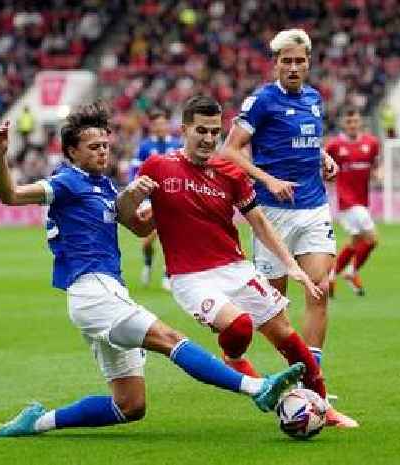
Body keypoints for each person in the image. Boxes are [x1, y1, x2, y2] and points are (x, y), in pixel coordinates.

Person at [0, 103, 304, 437]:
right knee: (170, 339)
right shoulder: (66, 182)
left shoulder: (106, 187)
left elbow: (139, 228)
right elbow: (12, 195)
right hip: (92, 290)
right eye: (93, 148)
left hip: (106, 292)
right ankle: (257, 387)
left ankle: (36, 422)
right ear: (71, 152)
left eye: (106, 146)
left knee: (129, 405)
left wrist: (167, 198)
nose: (102, 153)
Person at [137, 95, 357, 428]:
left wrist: (291, 265)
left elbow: (259, 222)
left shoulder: (230, 171)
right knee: (239, 326)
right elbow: (134, 219)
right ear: (183, 129)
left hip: (235, 268)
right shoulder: (157, 166)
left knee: (285, 332)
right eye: (201, 130)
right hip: (190, 277)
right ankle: (237, 362)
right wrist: (131, 205)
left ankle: (323, 406)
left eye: (214, 131)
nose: (209, 139)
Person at [219, 29, 339, 378]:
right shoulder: (262, 102)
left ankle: (311, 377)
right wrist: (267, 179)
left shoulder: (315, 99)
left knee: (319, 289)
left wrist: (324, 156)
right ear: (275, 65)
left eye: (299, 61)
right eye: (286, 61)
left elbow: (307, 140)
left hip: (314, 206)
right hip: (273, 213)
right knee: (274, 305)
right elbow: (229, 150)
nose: (293, 66)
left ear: (308, 63)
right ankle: (237, 352)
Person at [325, 107, 380, 297]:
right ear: (343, 124)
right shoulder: (334, 146)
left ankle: (332, 275)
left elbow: (374, 165)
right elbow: (323, 167)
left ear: (360, 123)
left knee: (355, 242)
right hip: (346, 202)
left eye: (355, 121)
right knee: (372, 239)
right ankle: (351, 271)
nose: (352, 125)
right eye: (349, 122)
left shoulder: (371, 143)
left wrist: (377, 174)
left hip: (362, 201)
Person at [128, 109, 183, 290]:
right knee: (147, 241)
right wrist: (134, 192)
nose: (160, 127)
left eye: (163, 123)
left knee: (171, 236)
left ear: (168, 125)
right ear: (152, 127)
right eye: (156, 124)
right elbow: (134, 172)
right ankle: (148, 263)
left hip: (172, 198)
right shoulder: (144, 147)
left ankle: (168, 274)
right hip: (149, 199)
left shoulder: (177, 144)